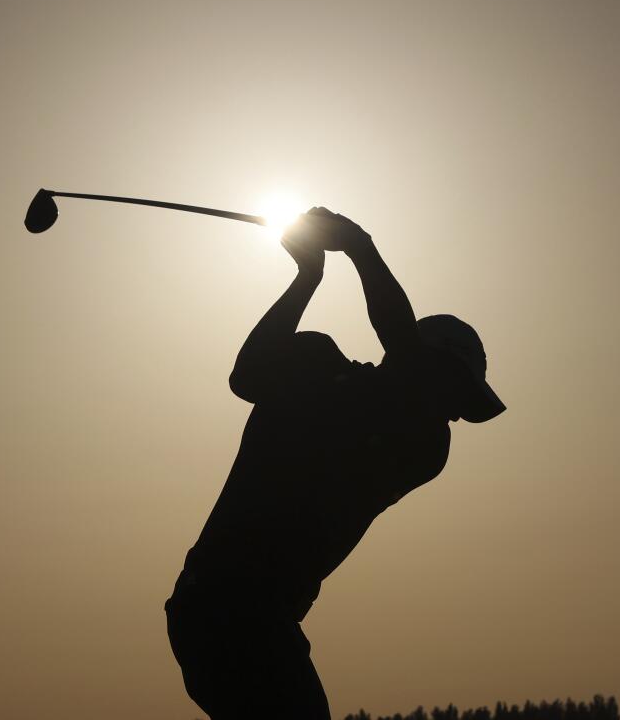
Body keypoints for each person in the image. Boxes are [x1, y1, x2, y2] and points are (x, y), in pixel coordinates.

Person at [164, 207, 505, 719]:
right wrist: (309, 277)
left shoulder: (424, 448)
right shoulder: (315, 361)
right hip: (222, 608)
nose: (457, 411)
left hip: (254, 620)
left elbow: (403, 349)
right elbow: (246, 377)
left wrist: (359, 246)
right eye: (455, 390)